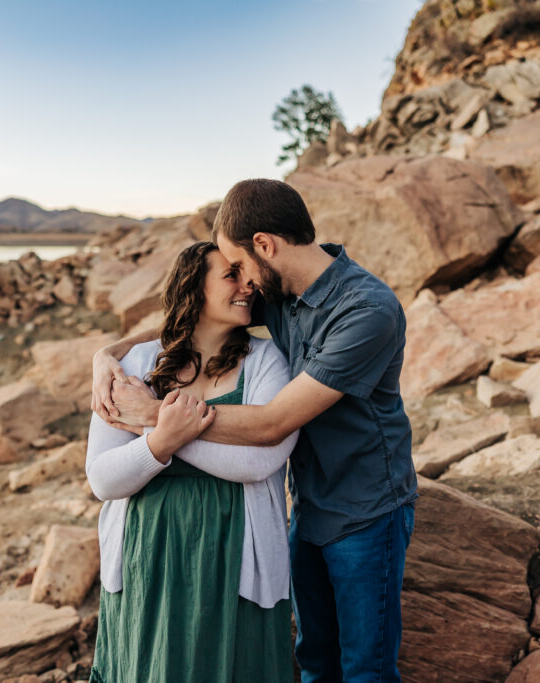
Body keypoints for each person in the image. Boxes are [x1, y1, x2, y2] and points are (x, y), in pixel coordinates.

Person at [93, 178, 417, 682]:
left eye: (240, 265)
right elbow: (190, 318)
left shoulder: (366, 311)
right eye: (233, 274)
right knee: (314, 661)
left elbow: (273, 424)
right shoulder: (278, 291)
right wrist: (106, 355)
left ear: (265, 246)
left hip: (366, 506)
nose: (243, 282)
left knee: (364, 670)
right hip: (308, 504)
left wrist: (158, 418)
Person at [85, 240, 299, 683]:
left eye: (248, 275)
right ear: (193, 287)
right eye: (231, 275)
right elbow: (103, 480)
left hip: (234, 560)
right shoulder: (132, 366)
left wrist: (160, 430)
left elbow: (260, 463)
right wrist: (162, 438)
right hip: (148, 561)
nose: (248, 286)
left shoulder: (266, 362)